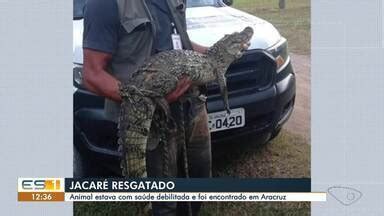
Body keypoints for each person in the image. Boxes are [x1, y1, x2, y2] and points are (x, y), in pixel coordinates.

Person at [82, 0, 211, 215]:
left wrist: (214, 54)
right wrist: (147, 98)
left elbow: (179, 43)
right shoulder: (105, 3)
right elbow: (93, 74)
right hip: (147, 121)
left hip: (191, 107)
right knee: (163, 204)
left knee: (198, 183)